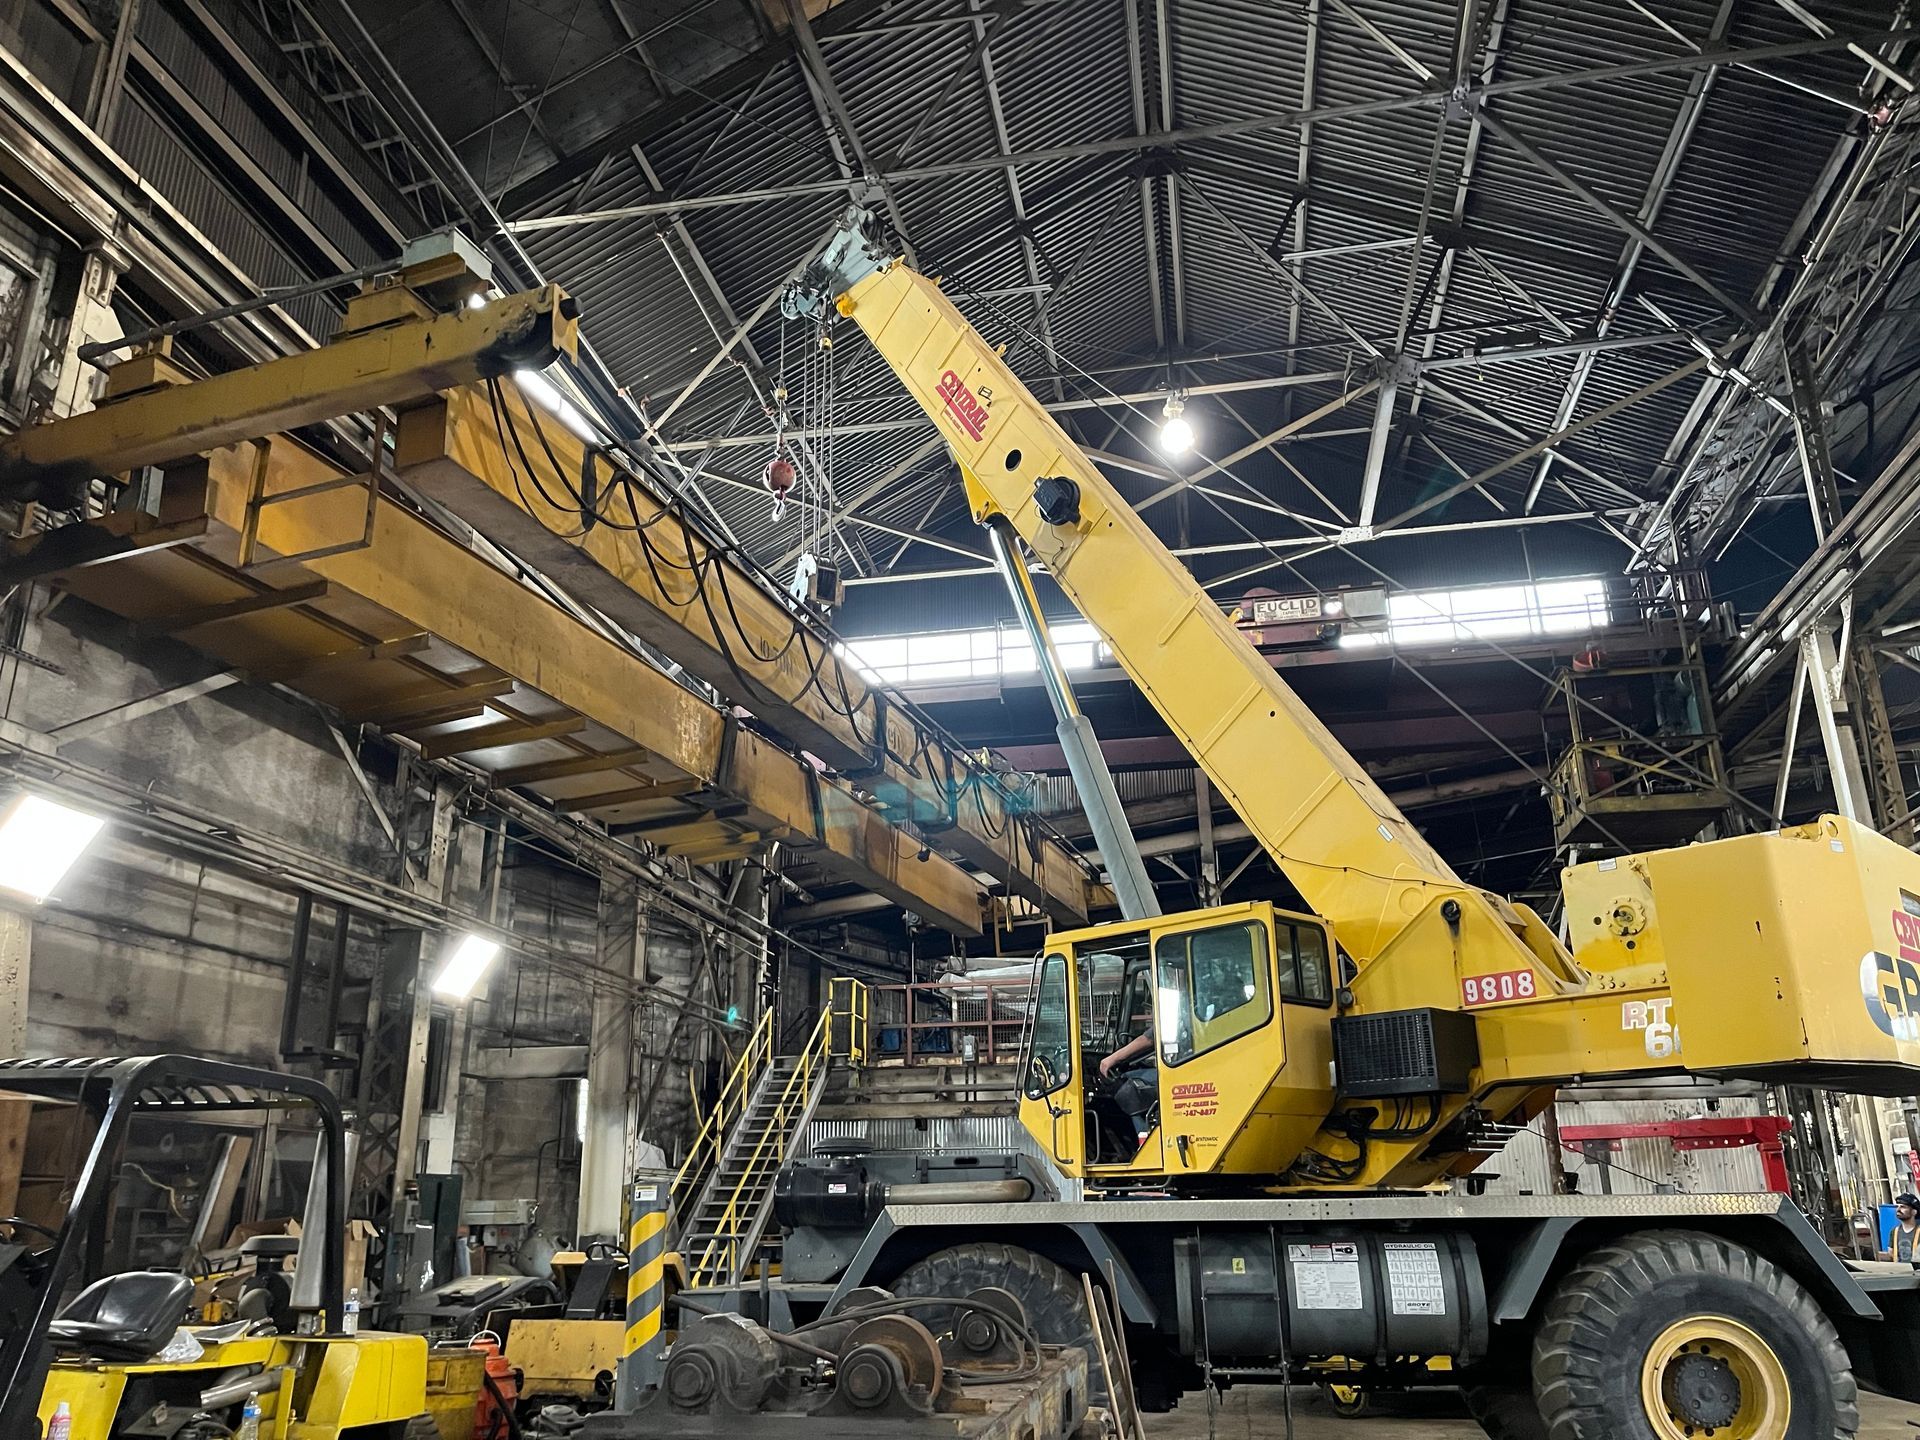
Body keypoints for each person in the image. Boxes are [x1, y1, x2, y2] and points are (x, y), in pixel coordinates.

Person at [1099, 1032, 1157, 1149]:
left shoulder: (1173, 1016)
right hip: (1188, 1068)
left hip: (1181, 1071)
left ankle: (1147, 1147)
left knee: (1127, 1091)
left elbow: (1148, 1039)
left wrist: (1112, 1058)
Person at [1883, 1193, 1920, 1263]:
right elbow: (1891, 1254)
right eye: (1897, 1206)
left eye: (1903, 1207)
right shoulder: (1894, 1231)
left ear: (1914, 1212)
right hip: (1901, 1272)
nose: (1898, 1209)